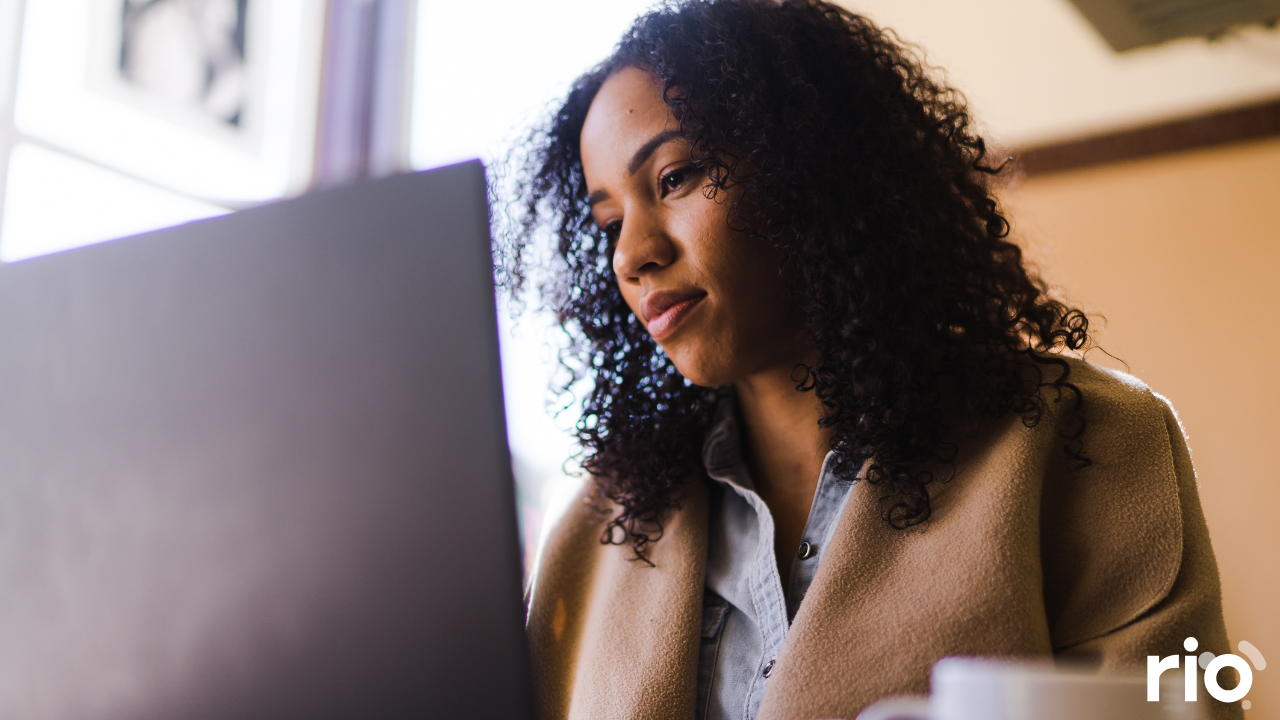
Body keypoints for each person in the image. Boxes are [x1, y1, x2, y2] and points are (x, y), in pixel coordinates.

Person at [504, 1, 1239, 719]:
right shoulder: (600, 526)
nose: (632, 255)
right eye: (608, 221)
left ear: (809, 170)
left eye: (675, 177)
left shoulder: (1089, 441)